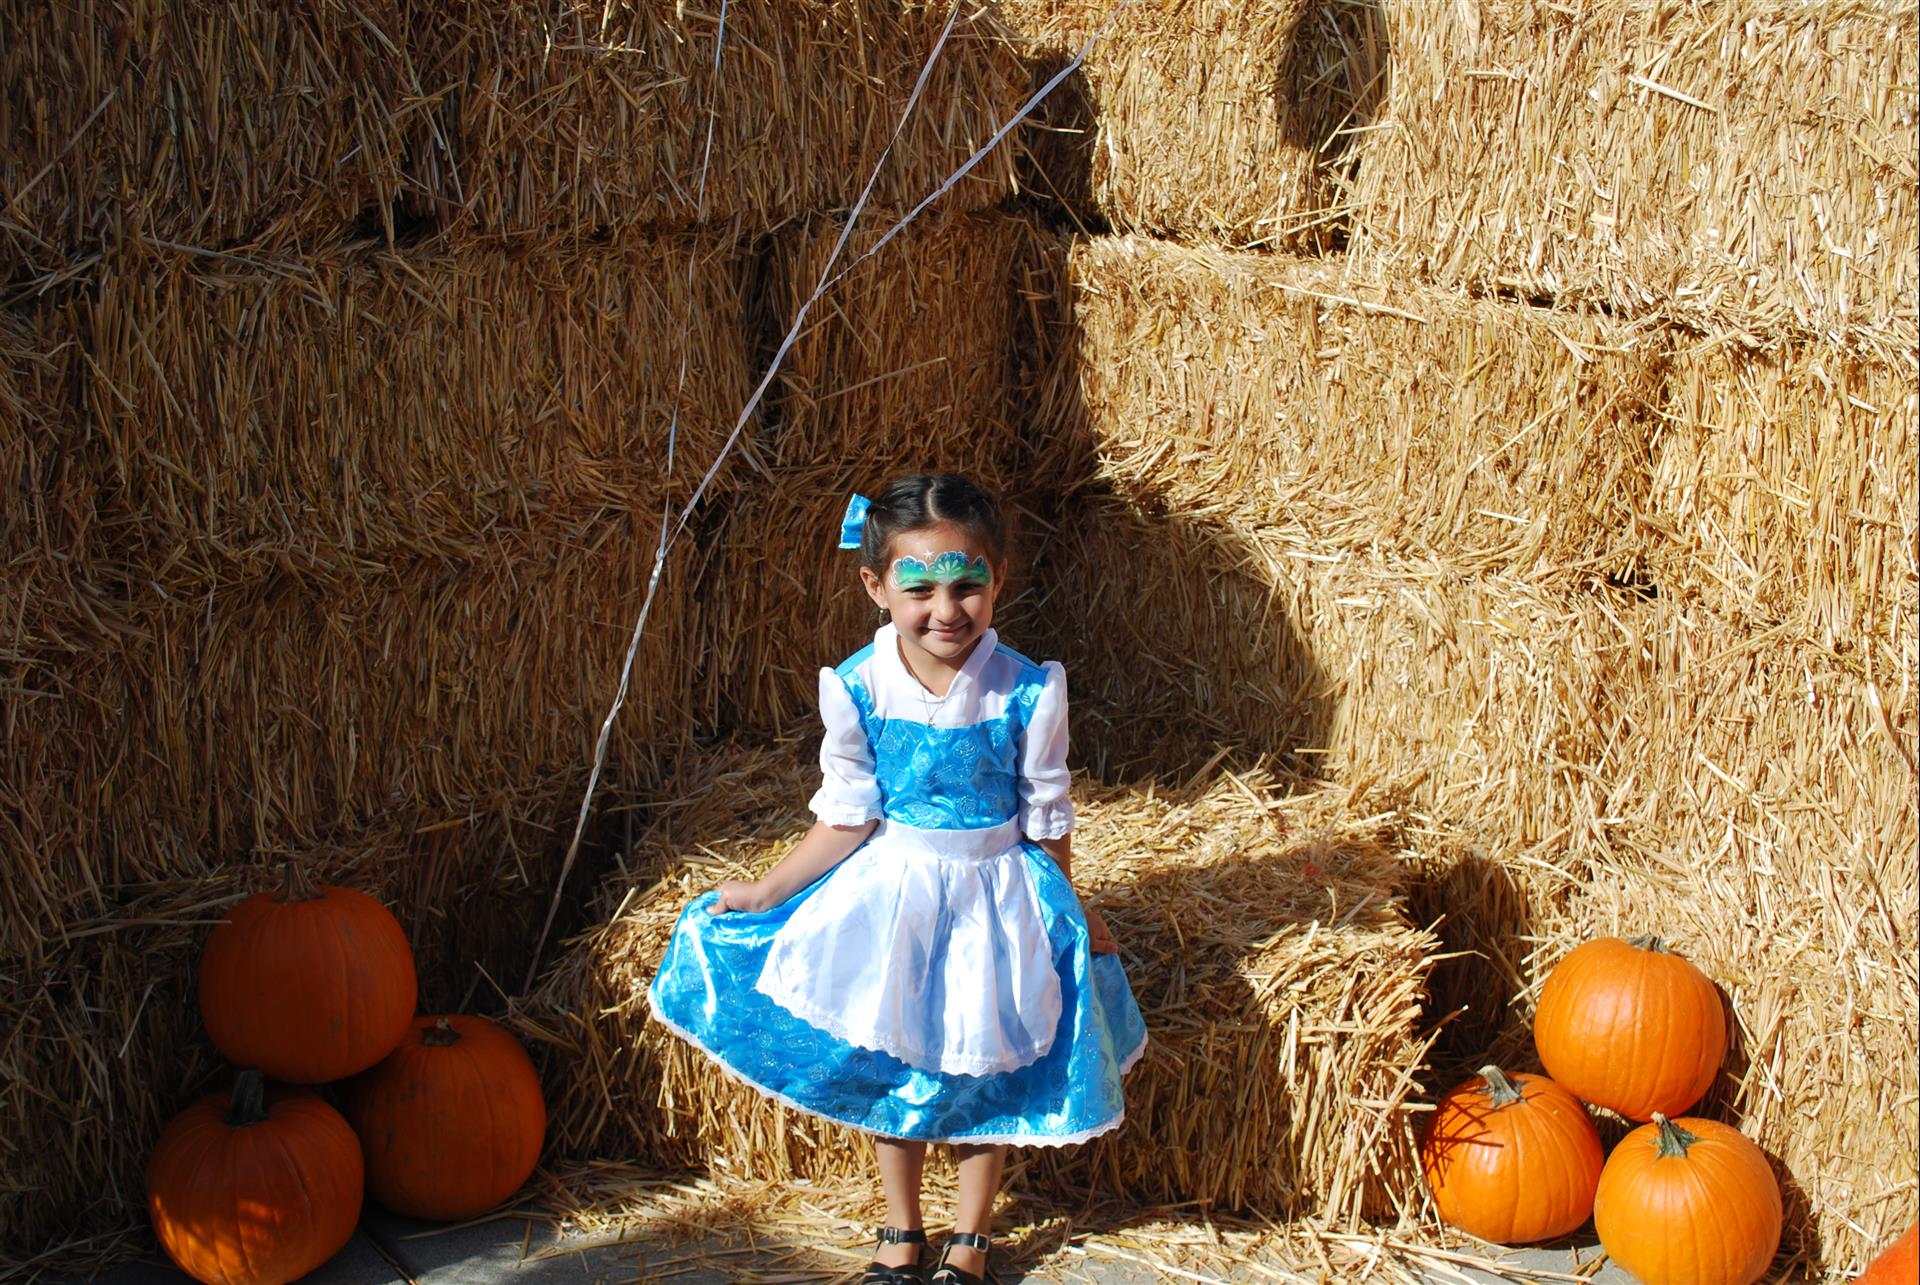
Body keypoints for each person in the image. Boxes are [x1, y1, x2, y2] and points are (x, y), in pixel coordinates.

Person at [649, 473, 1147, 1284]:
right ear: (875, 586)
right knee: (896, 1060)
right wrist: (767, 892)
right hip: (896, 899)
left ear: (998, 580)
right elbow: (847, 816)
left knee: (993, 1067)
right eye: (919, 588)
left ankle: (972, 1235)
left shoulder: (1028, 688)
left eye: (966, 585)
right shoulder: (857, 685)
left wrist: (1076, 911)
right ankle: (901, 1225)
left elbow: (1047, 816)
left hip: (998, 898)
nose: (945, 609)